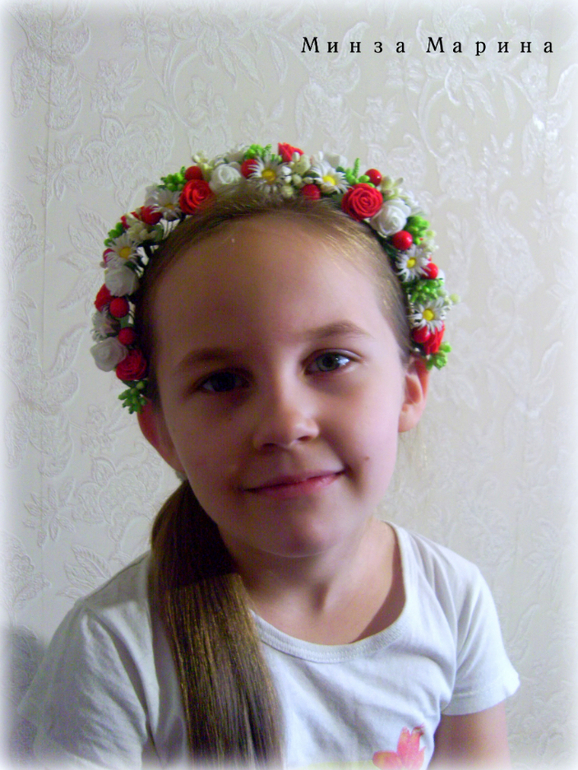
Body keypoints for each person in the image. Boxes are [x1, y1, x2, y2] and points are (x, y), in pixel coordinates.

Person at [19, 143, 519, 769]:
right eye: (223, 380)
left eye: (330, 360)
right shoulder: (113, 650)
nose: (284, 423)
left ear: (409, 389)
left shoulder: (453, 601)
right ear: (163, 434)